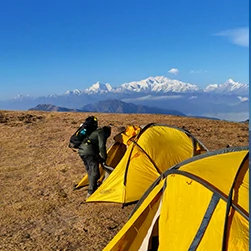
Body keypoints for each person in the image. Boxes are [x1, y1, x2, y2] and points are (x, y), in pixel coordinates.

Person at [78, 125, 111, 199]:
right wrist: (104, 157)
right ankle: (90, 192)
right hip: (89, 151)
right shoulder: (101, 132)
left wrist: (99, 158)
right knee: (94, 172)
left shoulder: (94, 131)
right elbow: (102, 146)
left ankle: (93, 186)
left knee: (90, 170)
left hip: (81, 151)